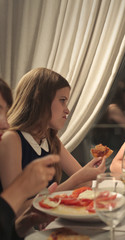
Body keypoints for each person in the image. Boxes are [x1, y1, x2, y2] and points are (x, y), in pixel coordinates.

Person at [0, 68, 106, 215]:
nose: (67, 110)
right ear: (40, 100)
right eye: (62, 100)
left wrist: (95, 173)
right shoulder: (11, 139)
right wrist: (74, 181)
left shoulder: (50, 138)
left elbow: (84, 182)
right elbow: (15, 211)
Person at [0, 77, 59, 239]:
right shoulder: (13, 139)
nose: (5, 124)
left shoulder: (50, 140)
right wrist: (22, 186)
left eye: (5, 112)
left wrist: (24, 224)